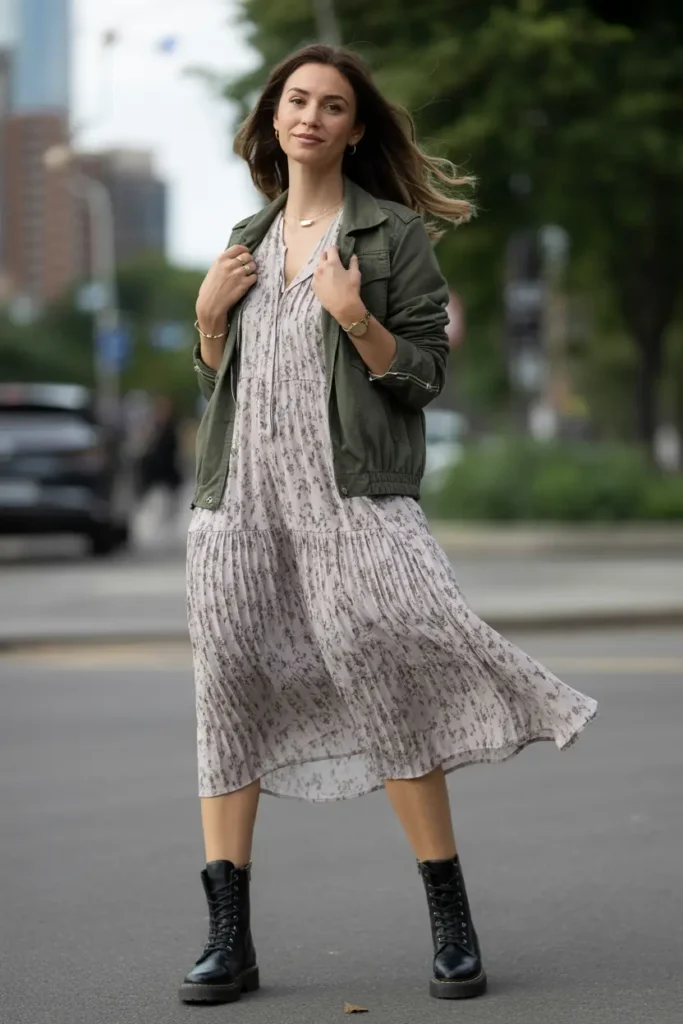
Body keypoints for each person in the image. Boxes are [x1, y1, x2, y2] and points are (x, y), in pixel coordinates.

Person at [181, 43, 597, 1006]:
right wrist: (208, 323)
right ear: (272, 118)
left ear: (355, 127)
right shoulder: (245, 236)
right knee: (228, 699)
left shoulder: (391, 236)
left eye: (332, 105)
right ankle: (226, 941)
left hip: (351, 503)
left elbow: (420, 377)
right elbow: (220, 391)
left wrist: (352, 314)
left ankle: (451, 923)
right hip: (239, 509)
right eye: (296, 100)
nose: (310, 117)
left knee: (385, 678)